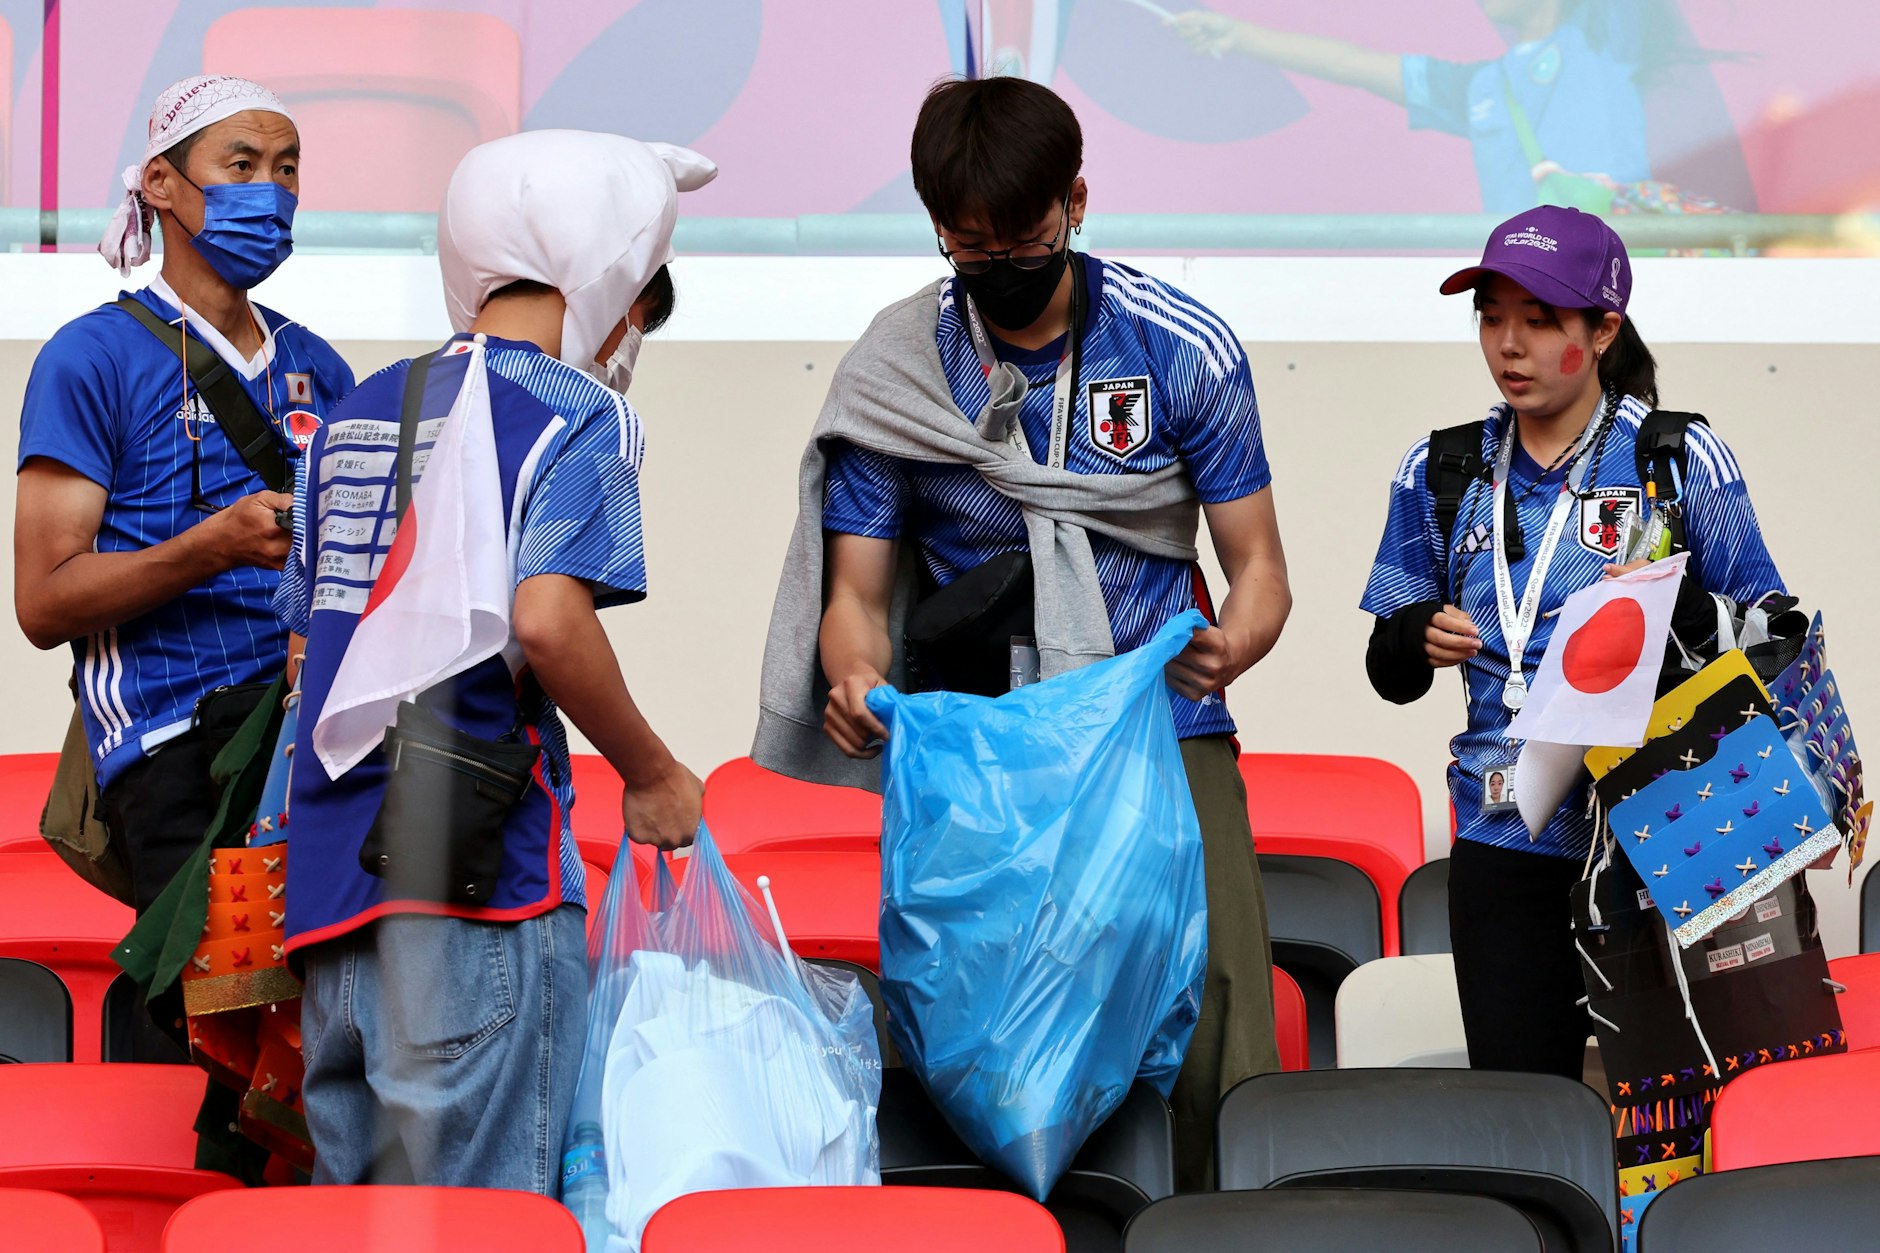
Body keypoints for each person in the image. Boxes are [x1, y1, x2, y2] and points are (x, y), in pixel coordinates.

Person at [755, 77, 1291, 1190]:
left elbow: (1259, 575)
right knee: (973, 1037)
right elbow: (856, 589)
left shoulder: (1178, 346)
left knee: (1207, 1029)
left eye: (1025, 237)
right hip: (980, 751)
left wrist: (1227, 648)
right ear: (937, 230)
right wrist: (852, 672)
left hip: (1158, 726)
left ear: (1077, 202)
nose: (1001, 265)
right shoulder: (897, 368)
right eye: (970, 245)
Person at [277, 130, 714, 1191]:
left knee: (363, 1217)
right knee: (487, 1220)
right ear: (608, 264)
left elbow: (303, 655)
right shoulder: (581, 413)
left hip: (330, 899)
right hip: (480, 894)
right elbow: (551, 619)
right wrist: (654, 773)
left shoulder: (350, 414)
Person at [1360, 205, 1787, 1078]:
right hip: (1502, 840)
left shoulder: (1673, 458)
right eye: (1491, 317)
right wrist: (1411, 636)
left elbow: (1773, 632)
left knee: (1688, 1114)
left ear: (1602, 331)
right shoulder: (1440, 471)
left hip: (1663, 831)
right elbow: (1386, 671)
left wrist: (1681, 615)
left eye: (1539, 320)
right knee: (1527, 1117)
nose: (1508, 344)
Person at [14, 75, 352, 1028]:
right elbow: (42, 601)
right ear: (160, 185)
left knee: (322, 1042)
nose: (271, 192)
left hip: (311, 746)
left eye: (287, 170)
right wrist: (211, 548)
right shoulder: (93, 356)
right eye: (240, 165)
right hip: (179, 749)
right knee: (228, 1037)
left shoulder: (321, 368)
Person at [1169, 0, 1752, 214]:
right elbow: (1350, 62)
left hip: (1611, 291)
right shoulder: (1476, 88)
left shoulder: (1604, 38)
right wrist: (1235, 35)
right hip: (1527, 297)